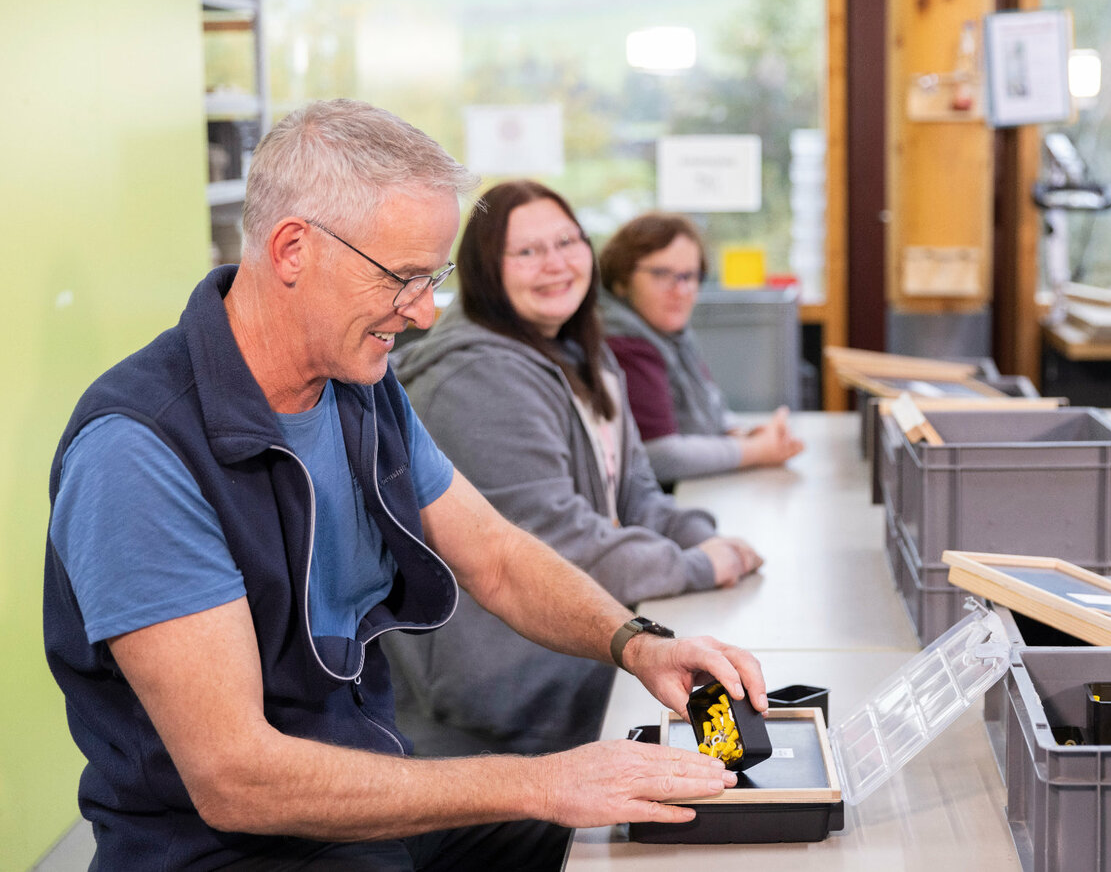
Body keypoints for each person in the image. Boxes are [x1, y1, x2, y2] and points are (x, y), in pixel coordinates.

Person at [43, 99, 766, 871]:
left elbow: (495, 556)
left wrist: (637, 645)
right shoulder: (138, 453)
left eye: (435, 276)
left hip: (366, 811)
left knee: (638, 843)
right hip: (231, 853)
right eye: (403, 278)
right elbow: (237, 779)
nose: (424, 313)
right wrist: (543, 781)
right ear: (293, 249)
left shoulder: (358, 383)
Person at [384, 180, 764, 758]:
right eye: (528, 252)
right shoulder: (477, 378)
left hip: (579, 657)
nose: (556, 264)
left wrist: (705, 539)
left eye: (568, 241)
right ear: (488, 269)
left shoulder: (581, 351)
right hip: (506, 703)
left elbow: (635, 493)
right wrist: (694, 566)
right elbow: (558, 540)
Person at [597, 212, 804, 485]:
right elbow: (660, 455)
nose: (681, 290)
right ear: (622, 279)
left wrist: (745, 433)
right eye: (661, 274)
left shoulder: (673, 336)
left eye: (690, 276)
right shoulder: (625, 344)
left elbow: (709, 411)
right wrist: (758, 450)